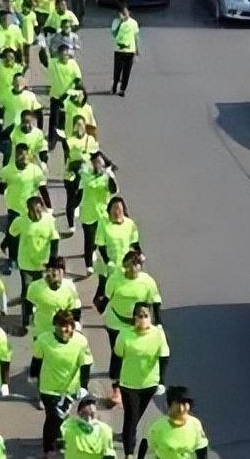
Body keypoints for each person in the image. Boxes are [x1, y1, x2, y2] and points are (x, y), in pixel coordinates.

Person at [102, 250, 162, 408]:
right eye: (128, 266)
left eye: (135, 265)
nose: (131, 269)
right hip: (116, 322)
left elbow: (155, 300)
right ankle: (116, 389)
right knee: (118, 354)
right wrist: (101, 311)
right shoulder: (115, 279)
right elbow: (106, 297)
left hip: (138, 324)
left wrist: (158, 322)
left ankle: (134, 384)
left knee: (134, 354)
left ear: (140, 266)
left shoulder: (147, 282)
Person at [29, 310, 93, 456]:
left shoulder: (81, 341)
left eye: (68, 325)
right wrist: (33, 376)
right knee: (52, 417)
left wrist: (84, 386)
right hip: (49, 388)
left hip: (70, 389)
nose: (65, 329)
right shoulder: (44, 340)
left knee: (62, 416)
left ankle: (61, 436)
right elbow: (37, 360)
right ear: (55, 326)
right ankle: (49, 449)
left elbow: (86, 364)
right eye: (61, 326)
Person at [113, 302, 170, 457]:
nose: (143, 319)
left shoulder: (158, 334)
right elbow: (117, 356)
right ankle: (129, 453)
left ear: (150, 317)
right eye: (140, 316)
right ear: (134, 318)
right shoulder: (125, 334)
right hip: (129, 384)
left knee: (135, 417)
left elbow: (164, 356)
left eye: (146, 315)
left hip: (149, 384)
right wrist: (115, 380)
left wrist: (161, 381)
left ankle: (127, 435)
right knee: (131, 417)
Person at [0, 144, 49, 273]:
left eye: (25, 154)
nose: (22, 157)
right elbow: (1, 190)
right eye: (19, 154)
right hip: (13, 208)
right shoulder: (7, 171)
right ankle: (12, 260)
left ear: (29, 156)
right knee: (13, 234)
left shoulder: (35, 171)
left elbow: (42, 188)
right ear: (15, 155)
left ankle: (29, 257)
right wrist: (3, 184)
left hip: (30, 209)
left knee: (27, 234)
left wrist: (49, 207)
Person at [8, 195, 60, 324]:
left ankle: (42, 315)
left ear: (42, 208)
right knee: (27, 290)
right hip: (26, 263)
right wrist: (12, 254)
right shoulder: (21, 221)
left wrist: (53, 260)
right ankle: (26, 320)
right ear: (28, 210)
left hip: (43, 263)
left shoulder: (49, 220)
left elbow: (55, 240)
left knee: (41, 290)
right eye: (33, 211)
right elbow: (12, 234)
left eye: (38, 211)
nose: (36, 214)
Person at [61, 116, 109, 236]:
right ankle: (71, 225)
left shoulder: (90, 140)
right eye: (77, 125)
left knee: (80, 197)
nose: (79, 127)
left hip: (85, 175)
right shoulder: (69, 141)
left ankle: (75, 207)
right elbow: (67, 156)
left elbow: (96, 154)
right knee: (71, 199)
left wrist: (108, 163)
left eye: (81, 125)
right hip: (71, 174)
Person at [93, 196, 140, 303]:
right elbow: (101, 246)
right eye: (114, 209)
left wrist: (139, 255)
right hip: (109, 265)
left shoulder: (130, 224)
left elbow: (135, 243)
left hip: (125, 264)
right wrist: (107, 261)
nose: (117, 212)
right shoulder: (103, 224)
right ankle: (101, 304)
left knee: (120, 289)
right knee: (104, 290)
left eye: (119, 209)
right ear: (109, 210)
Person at [142, 387, 209, 459]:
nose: (181, 409)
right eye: (177, 404)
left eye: (184, 404)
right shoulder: (158, 426)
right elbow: (146, 447)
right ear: (169, 405)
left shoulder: (195, 424)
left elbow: (201, 448)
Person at [78, 152, 118, 276]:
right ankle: (88, 264)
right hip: (89, 213)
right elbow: (90, 184)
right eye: (95, 162)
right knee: (89, 240)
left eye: (100, 162)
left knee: (102, 240)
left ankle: (106, 261)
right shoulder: (86, 173)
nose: (98, 164)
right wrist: (103, 175)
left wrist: (109, 176)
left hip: (102, 214)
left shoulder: (108, 176)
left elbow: (114, 190)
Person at [24, 256, 82, 338]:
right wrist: (28, 324)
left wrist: (75, 325)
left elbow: (75, 309)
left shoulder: (70, 286)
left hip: (61, 331)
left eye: (61, 270)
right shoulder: (35, 286)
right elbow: (28, 304)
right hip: (41, 330)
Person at [46, 45, 82, 150]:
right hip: (56, 97)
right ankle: (52, 142)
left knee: (67, 122)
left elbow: (77, 78)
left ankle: (67, 142)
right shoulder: (54, 63)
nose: (64, 57)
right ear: (58, 55)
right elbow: (44, 60)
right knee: (54, 121)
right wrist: (42, 47)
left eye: (66, 54)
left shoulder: (73, 64)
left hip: (69, 98)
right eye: (62, 55)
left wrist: (71, 90)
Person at [0, 74, 44, 159]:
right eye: (16, 81)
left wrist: (40, 129)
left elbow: (39, 113)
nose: (18, 84)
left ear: (24, 83)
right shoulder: (6, 94)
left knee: (27, 155)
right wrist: (0, 124)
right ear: (12, 82)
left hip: (26, 130)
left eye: (20, 82)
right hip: (10, 129)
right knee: (8, 155)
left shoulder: (30, 96)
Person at [110, 5, 140, 97]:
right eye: (121, 13)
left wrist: (137, 50)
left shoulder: (134, 23)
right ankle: (114, 86)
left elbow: (136, 37)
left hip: (130, 51)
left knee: (127, 72)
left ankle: (122, 89)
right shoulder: (116, 22)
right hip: (119, 50)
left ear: (128, 12)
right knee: (117, 70)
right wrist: (120, 22)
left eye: (125, 12)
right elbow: (114, 34)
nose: (124, 14)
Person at [0, 48, 23, 123]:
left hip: (12, 98)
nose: (9, 59)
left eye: (12, 58)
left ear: (15, 58)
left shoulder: (18, 68)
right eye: (7, 57)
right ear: (4, 58)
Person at [19, 0, 39, 67]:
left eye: (27, 8)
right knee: (21, 51)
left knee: (28, 51)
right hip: (21, 36)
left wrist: (34, 35)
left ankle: (28, 63)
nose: (25, 9)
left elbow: (35, 25)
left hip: (29, 37)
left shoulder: (33, 15)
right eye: (24, 7)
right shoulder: (20, 15)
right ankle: (22, 62)